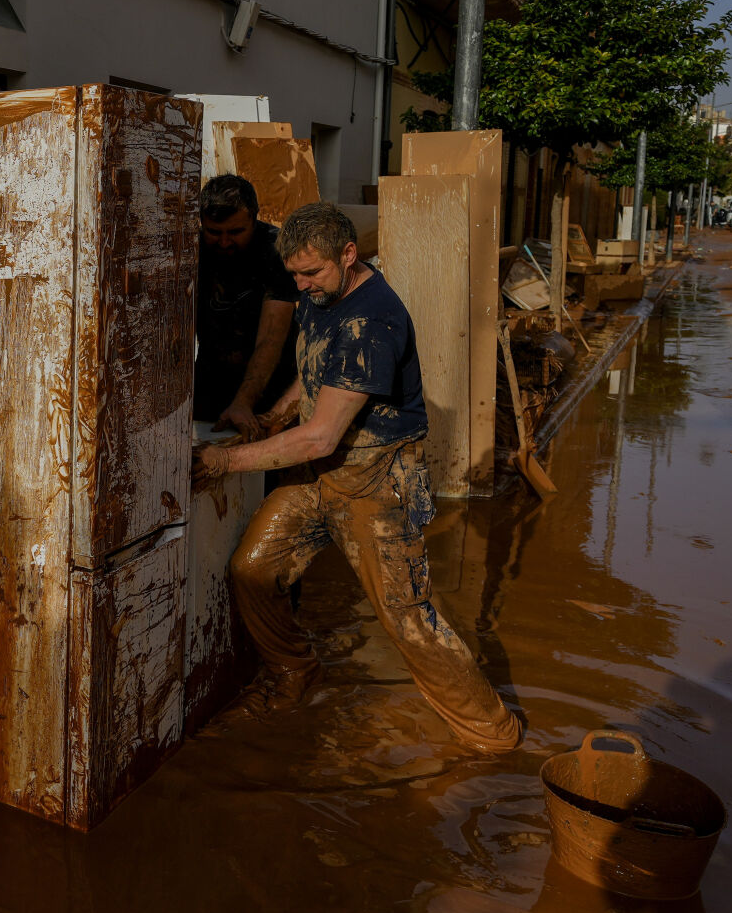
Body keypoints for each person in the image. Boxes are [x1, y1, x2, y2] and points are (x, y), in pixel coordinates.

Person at [191, 202, 523, 753]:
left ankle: (493, 736)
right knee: (253, 569)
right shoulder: (323, 293)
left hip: (377, 478)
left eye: (311, 273)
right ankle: (295, 672)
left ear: (349, 255)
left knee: (405, 620)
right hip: (321, 475)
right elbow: (317, 366)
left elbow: (321, 435)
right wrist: (274, 415)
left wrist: (222, 461)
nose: (300, 285)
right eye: (294, 274)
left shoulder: (373, 321)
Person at [194, 174, 298, 438]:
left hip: (270, 382)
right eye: (214, 232)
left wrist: (244, 401)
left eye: (236, 232)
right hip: (211, 376)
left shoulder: (275, 250)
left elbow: (271, 338)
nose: (225, 242)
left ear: (254, 217)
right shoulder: (189, 248)